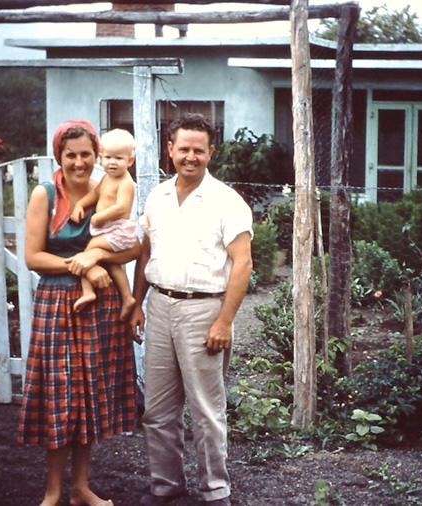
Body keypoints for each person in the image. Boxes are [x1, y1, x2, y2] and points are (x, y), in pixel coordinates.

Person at [129, 113, 253, 506]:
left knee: (206, 410)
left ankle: (215, 490)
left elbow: (243, 263)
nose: (191, 156)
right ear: (170, 150)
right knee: (157, 410)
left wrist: (224, 320)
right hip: (161, 305)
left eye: (199, 150)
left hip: (203, 312)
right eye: (183, 148)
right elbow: (146, 252)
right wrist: (136, 304)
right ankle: (166, 485)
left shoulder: (226, 201)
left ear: (210, 152)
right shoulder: (157, 197)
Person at [18, 119, 139, 506]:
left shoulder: (105, 188)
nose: (80, 162)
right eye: (71, 155)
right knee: (61, 397)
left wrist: (96, 260)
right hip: (58, 304)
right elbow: (34, 256)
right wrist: (85, 266)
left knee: (87, 398)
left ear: (97, 155)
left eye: (87, 154)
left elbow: (132, 247)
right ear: (60, 156)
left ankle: (80, 488)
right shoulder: (45, 194)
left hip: (99, 306)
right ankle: (53, 490)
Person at [71, 128, 138, 320]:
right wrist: (80, 205)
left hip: (118, 229)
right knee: (111, 262)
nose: (112, 162)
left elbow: (122, 208)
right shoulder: (106, 178)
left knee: (89, 251)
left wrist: (99, 217)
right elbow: (94, 195)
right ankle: (127, 297)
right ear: (101, 157)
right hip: (109, 229)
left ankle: (87, 291)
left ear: (130, 161)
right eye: (108, 157)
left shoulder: (126, 182)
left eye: (119, 158)